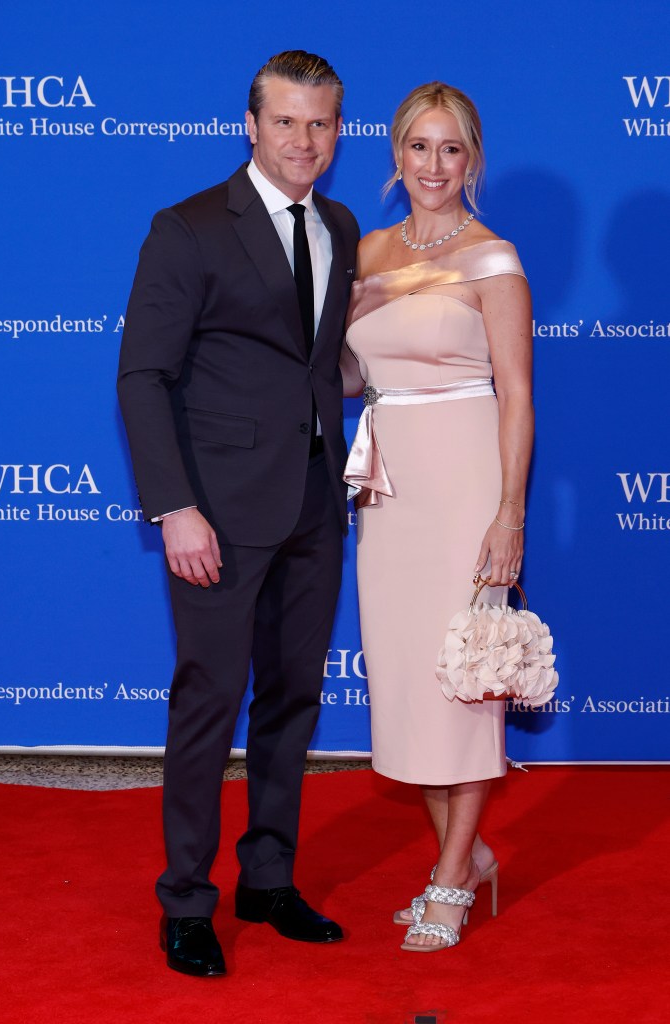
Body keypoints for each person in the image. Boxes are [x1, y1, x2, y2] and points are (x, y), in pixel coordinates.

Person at [117, 50, 359, 977]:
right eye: (287, 121)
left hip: (312, 502)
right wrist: (175, 507)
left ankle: (267, 878)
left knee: (293, 699)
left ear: (340, 131)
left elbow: (319, 363)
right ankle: (185, 900)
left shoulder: (337, 224)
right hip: (215, 511)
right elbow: (143, 376)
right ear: (250, 125)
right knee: (209, 704)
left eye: (322, 123)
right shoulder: (186, 230)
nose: (304, 141)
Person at [341, 81, 533, 952]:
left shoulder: (493, 259)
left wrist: (508, 515)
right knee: (412, 685)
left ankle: (451, 875)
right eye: (418, 147)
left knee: (464, 683)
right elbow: (348, 378)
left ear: (472, 160)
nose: (433, 165)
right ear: (395, 154)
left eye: (450, 149)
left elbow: (517, 398)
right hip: (388, 490)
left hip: (463, 484)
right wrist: (357, 310)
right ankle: (474, 852)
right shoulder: (370, 250)